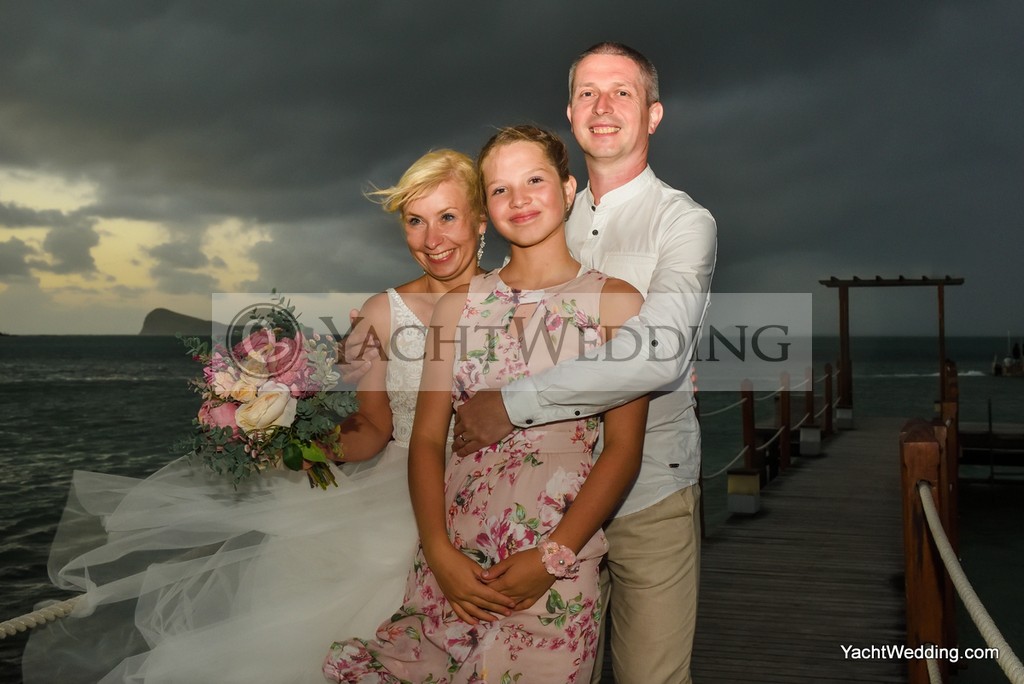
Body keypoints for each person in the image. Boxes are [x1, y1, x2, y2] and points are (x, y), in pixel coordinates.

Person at [21, 148, 487, 684]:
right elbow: (374, 429)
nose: (432, 238)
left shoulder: (523, 301)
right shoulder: (382, 313)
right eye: (415, 221)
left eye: (447, 217)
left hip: (497, 482)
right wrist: (292, 437)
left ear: (479, 221)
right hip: (397, 497)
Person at [323, 125, 649, 682]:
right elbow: (427, 439)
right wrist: (438, 553)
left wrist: (554, 557)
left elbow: (622, 449)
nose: (518, 200)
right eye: (500, 189)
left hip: (556, 558)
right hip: (454, 556)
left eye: (534, 181)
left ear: (569, 189)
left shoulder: (615, 303)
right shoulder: (457, 308)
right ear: (488, 208)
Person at [451, 43, 718, 684]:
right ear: (570, 113)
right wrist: (391, 321)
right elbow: (483, 309)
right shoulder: (539, 211)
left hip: (648, 491)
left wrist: (512, 404)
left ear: (653, 114)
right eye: (587, 93)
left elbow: (660, 349)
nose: (603, 106)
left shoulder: (684, 223)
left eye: (622, 92)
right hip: (536, 498)